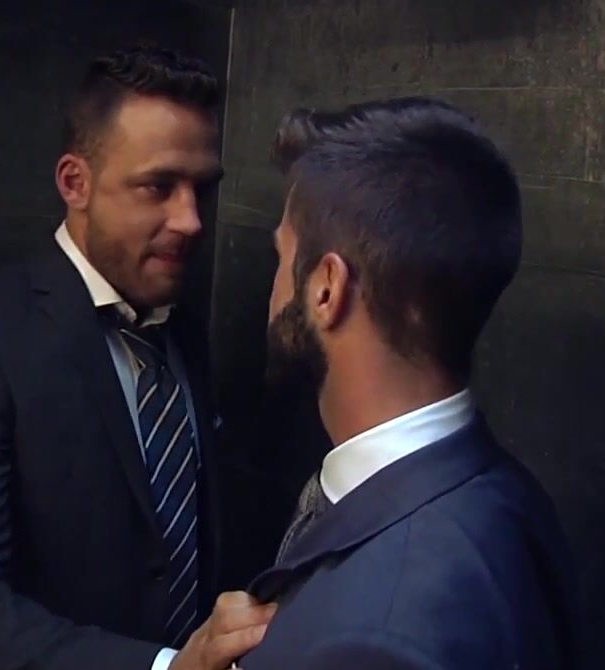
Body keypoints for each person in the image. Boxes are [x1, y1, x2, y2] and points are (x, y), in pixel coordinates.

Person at [0, 45, 274, 670]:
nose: (191, 220)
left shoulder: (180, 327)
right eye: (158, 186)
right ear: (76, 183)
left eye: (203, 189)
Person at [239, 99, 579, 669]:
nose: (273, 289)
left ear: (326, 289)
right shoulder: (507, 496)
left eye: (281, 257)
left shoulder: (377, 640)